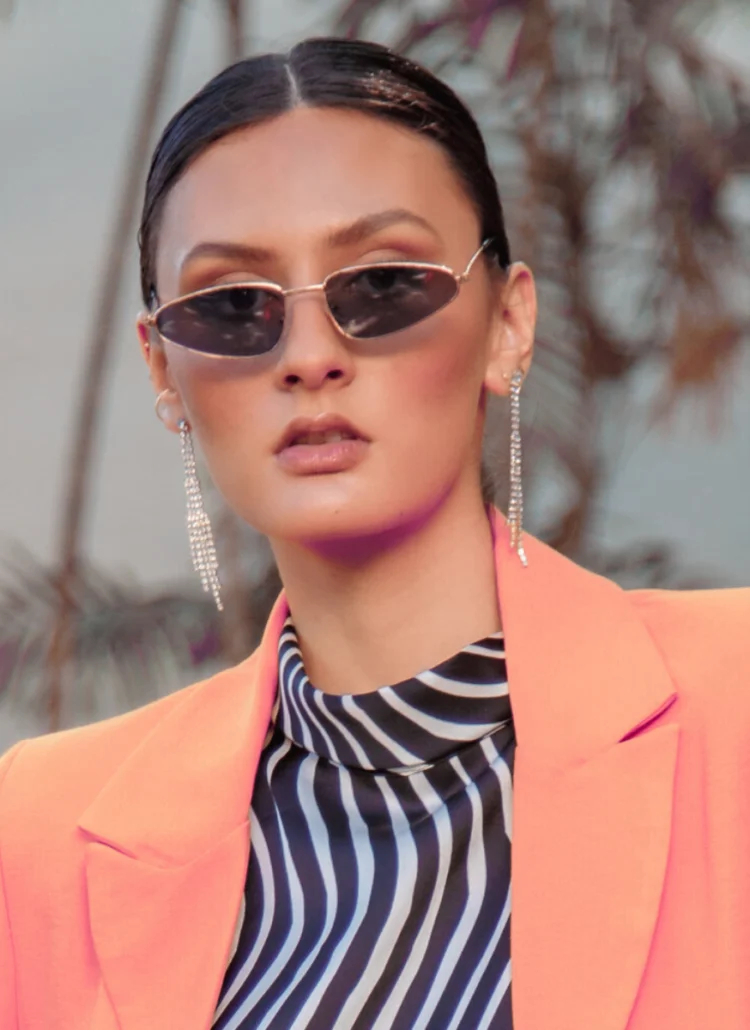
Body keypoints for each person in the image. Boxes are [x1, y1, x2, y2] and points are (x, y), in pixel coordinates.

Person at [0, 36, 748, 1030]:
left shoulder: (731, 705)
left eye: (383, 285)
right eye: (231, 306)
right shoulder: (45, 835)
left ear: (507, 325)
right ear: (161, 373)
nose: (310, 356)